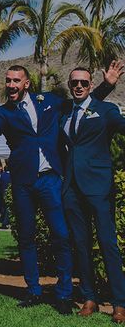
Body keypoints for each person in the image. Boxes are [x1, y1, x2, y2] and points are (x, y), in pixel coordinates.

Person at [0, 62, 120, 315]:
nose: (11, 85)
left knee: (62, 235)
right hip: (23, 182)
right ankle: (33, 290)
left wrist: (107, 85)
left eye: (16, 81)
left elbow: (83, 103)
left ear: (27, 83)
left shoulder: (49, 100)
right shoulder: (3, 112)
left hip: (51, 179)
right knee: (26, 237)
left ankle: (64, 293)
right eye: (9, 81)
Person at [60, 67, 125, 322]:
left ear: (91, 84)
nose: (78, 86)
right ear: (69, 83)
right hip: (72, 188)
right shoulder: (64, 111)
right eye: (74, 82)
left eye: (84, 83)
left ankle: (120, 302)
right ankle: (90, 297)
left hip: (98, 187)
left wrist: (107, 86)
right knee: (81, 244)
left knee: (108, 244)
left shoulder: (106, 110)